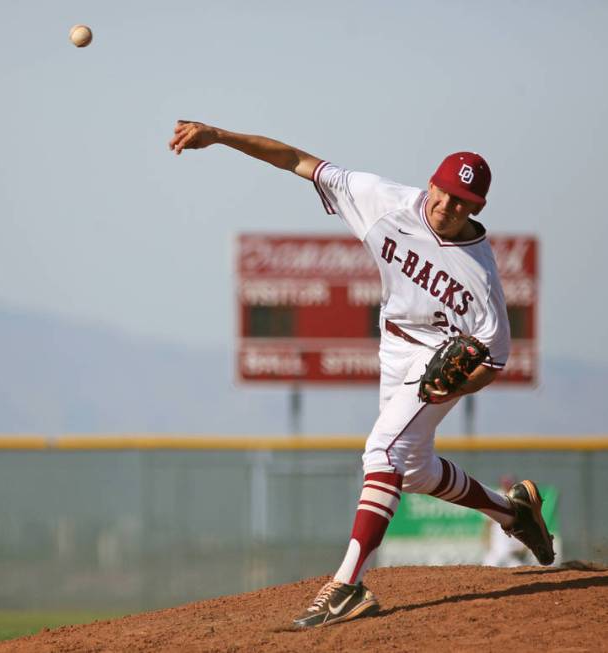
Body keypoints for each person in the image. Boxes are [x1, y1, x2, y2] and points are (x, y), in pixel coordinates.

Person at [168, 120, 555, 628]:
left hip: (438, 355)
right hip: (392, 342)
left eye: (463, 202)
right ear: (431, 184)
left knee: (382, 452)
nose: (449, 207)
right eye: (445, 193)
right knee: (411, 469)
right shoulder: (380, 199)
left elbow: (493, 361)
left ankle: (347, 585)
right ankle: (514, 513)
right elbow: (295, 160)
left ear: (476, 208)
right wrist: (219, 136)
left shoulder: (481, 278)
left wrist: (458, 382)